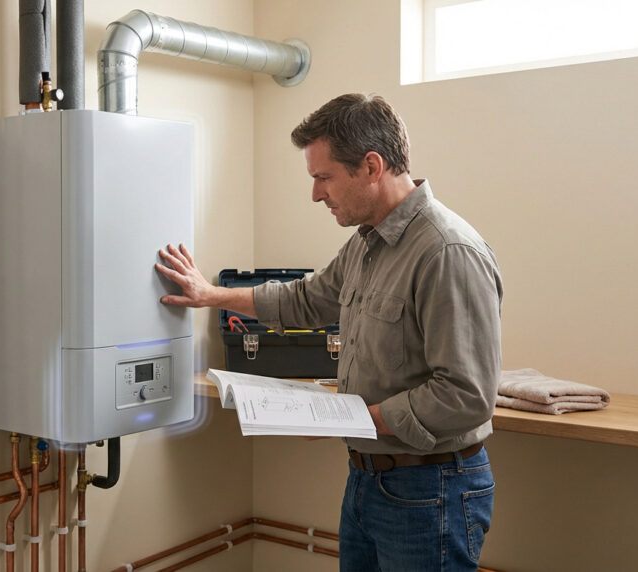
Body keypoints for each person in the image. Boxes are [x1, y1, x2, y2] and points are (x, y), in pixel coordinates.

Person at [155, 93, 503, 571]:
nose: (316, 194)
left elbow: (465, 394)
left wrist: (352, 418)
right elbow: (305, 299)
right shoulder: (366, 243)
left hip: (432, 489)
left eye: (324, 177)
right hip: (366, 479)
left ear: (371, 166)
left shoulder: (446, 252)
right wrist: (211, 295)